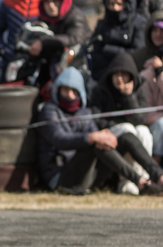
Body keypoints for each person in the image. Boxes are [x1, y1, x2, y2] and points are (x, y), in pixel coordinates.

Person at [35, 67, 161, 195]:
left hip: (88, 174)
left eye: (74, 91)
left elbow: (96, 135)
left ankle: (159, 176)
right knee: (94, 143)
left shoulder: (85, 112)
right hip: (61, 177)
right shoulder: (49, 111)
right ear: (58, 89)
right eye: (65, 90)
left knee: (124, 137)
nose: (69, 95)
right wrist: (91, 137)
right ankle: (141, 183)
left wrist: (101, 137)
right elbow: (60, 139)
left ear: (80, 92)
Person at [91, 51, 160, 190]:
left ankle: (144, 179)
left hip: (133, 130)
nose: (120, 78)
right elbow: (97, 119)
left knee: (143, 131)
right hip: (111, 132)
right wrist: (119, 124)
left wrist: (128, 97)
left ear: (131, 76)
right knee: (127, 129)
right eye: (116, 74)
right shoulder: (101, 89)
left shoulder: (140, 86)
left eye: (124, 74)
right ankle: (127, 180)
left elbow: (140, 119)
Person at [89, 0, 146, 80]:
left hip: (130, 75)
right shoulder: (102, 24)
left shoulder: (139, 23)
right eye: (111, 4)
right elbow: (95, 52)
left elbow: (138, 53)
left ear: (127, 4)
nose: (115, 8)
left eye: (119, 4)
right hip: (103, 75)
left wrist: (108, 50)